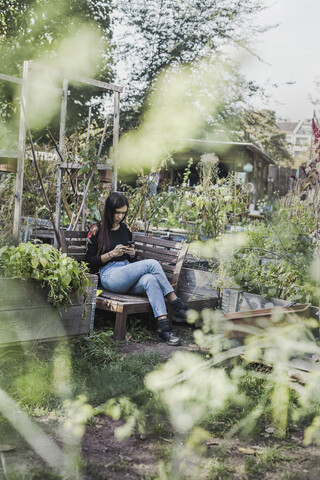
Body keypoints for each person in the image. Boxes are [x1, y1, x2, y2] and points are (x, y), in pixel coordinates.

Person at [86, 192, 189, 346]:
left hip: (127, 272)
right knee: (152, 264)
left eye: (123, 213)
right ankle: (176, 303)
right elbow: (89, 262)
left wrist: (132, 254)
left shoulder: (125, 229)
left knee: (150, 279)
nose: (121, 216)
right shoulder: (97, 229)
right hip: (109, 275)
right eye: (117, 213)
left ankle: (164, 329)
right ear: (109, 210)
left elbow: (132, 259)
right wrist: (111, 254)